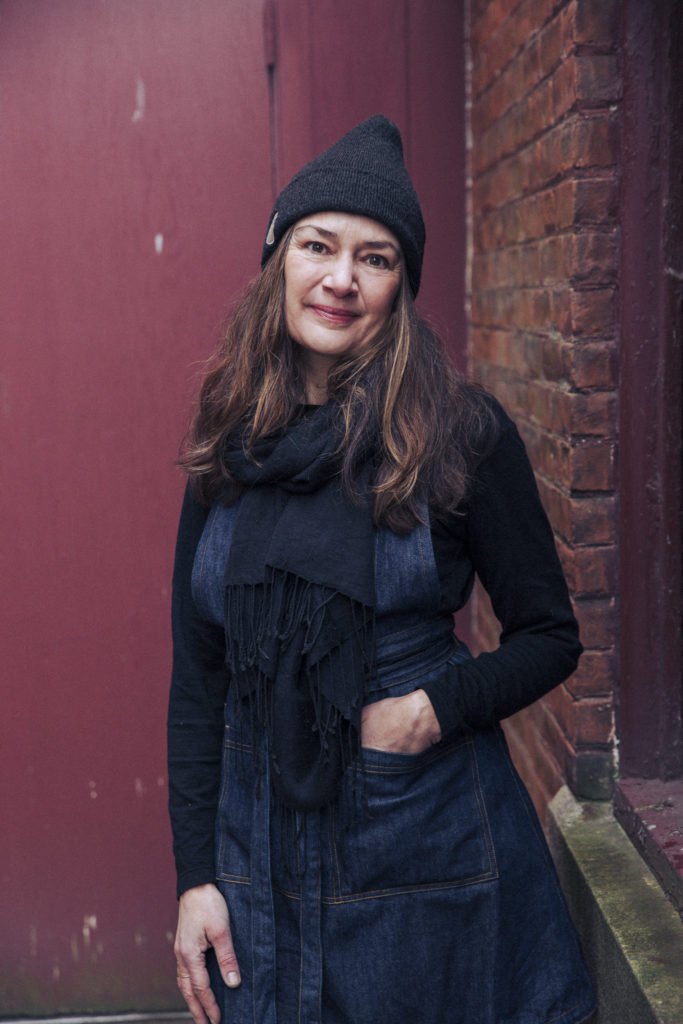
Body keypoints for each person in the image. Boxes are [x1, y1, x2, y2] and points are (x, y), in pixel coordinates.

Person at [167, 115, 596, 1024]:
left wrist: (429, 710)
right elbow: (198, 681)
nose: (341, 280)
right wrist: (195, 881)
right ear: (278, 260)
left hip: (423, 842)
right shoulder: (228, 446)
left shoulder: (460, 435)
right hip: (257, 854)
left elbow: (550, 637)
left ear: (401, 286)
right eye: (318, 245)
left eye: (377, 257)